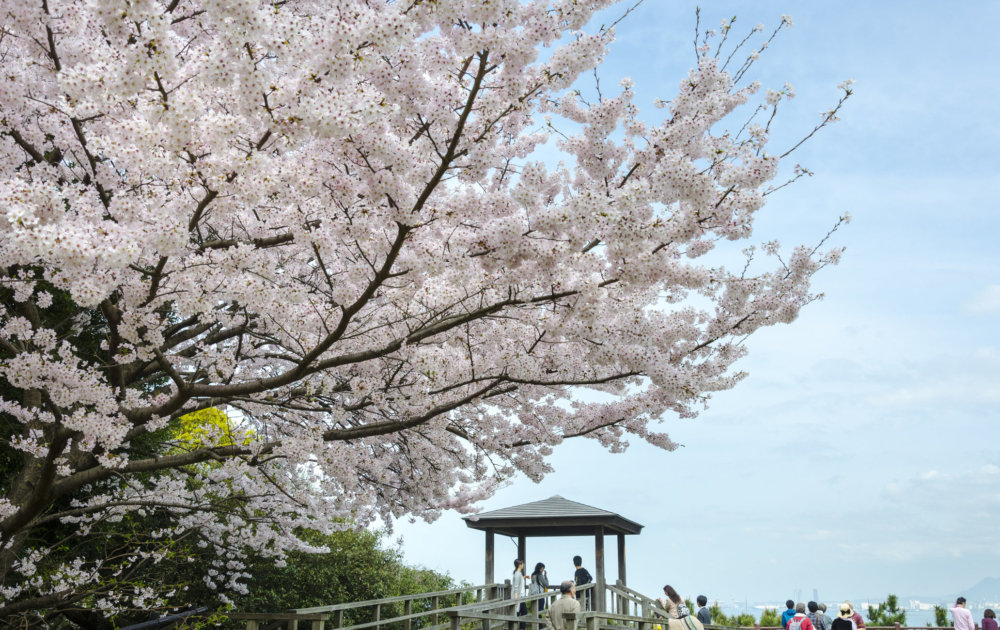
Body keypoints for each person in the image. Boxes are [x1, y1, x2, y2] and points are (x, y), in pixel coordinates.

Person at [512, 559, 528, 630]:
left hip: (521, 597)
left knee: (523, 612)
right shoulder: (517, 574)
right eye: (522, 564)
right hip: (519, 597)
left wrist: (524, 577)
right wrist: (516, 600)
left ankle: (521, 628)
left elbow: (519, 581)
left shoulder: (519, 573)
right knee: (518, 614)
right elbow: (516, 588)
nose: (523, 565)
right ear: (519, 565)